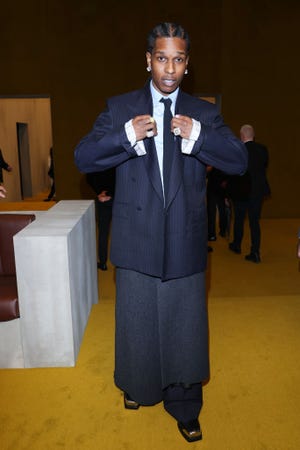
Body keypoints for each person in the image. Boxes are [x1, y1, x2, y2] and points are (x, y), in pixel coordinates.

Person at [74, 22, 247, 443]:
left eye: (179, 59)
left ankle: (185, 406)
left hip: (186, 242)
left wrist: (198, 135)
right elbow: (83, 156)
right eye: (162, 58)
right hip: (136, 241)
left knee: (185, 331)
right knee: (138, 325)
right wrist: (126, 135)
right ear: (148, 59)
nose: (170, 68)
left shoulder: (203, 112)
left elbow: (239, 161)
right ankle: (140, 387)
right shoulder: (119, 108)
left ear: (188, 64)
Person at [228, 124, 270, 263]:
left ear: (241, 136)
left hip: (242, 191)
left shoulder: (239, 150)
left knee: (239, 220)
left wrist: (228, 193)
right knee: (254, 222)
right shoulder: (263, 149)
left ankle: (237, 245)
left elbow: (234, 172)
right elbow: (263, 167)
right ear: (253, 135)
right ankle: (255, 251)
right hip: (258, 191)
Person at [86, 169, 115, 271]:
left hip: (102, 200)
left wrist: (99, 192)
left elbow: (88, 177)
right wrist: (111, 194)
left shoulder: (97, 160)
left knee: (103, 232)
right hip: (118, 199)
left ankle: (103, 263)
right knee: (119, 232)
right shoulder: (116, 158)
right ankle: (119, 263)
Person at [206, 166, 229, 241]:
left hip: (213, 188)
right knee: (221, 211)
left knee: (212, 213)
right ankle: (222, 231)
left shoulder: (211, 158)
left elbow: (206, 173)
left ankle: (212, 234)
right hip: (221, 187)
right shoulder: (223, 157)